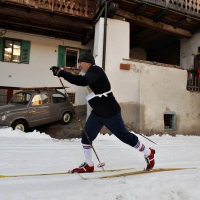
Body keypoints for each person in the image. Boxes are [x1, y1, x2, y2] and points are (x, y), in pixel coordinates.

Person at [50, 49, 155, 173]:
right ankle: (89, 165)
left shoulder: (96, 70)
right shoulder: (90, 73)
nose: (79, 65)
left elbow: (82, 81)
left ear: (88, 63)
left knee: (125, 137)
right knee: (86, 136)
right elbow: (80, 77)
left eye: (80, 62)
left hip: (110, 113)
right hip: (98, 113)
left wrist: (62, 73)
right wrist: (63, 72)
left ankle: (148, 153)